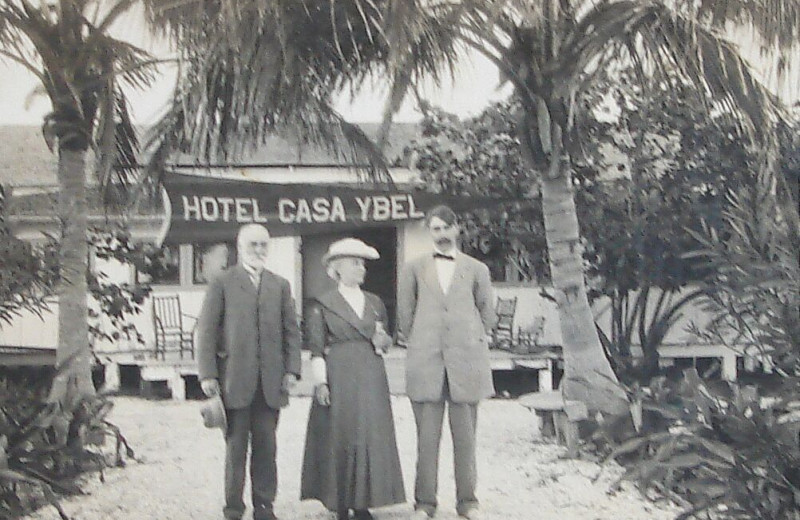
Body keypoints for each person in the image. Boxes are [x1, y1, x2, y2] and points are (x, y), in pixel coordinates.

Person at [196, 224, 302, 520]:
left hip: (270, 384)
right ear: (240, 248)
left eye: (263, 246)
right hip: (234, 382)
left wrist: (292, 369)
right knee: (236, 450)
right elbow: (207, 331)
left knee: (267, 448)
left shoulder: (280, 285)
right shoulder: (223, 282)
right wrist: (207, 374)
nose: (258, 251)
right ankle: (233, 508)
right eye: (252, 245)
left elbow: (291, 332)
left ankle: (264, 506)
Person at [397, 205, 496, 520]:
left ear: (457, 229)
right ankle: (424, 504)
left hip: (465, 362)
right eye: (435, 229)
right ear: (430, 233)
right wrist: (423, 340)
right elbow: (405, 314)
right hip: (426, 362)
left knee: (466, 438)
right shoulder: (413, 268)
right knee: (427, 439)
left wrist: (467, 339)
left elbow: (486, 314)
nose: (440, 235)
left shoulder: (477, 269)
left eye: (445, 228)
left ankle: (468, 502)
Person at [301, 238, 406, 520]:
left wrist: (383, 341)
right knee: (341, 435)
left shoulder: (374, 303)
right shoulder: (322, 304)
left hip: (371, 375)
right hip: (339, 375)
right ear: (338, 269)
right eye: (355, 264)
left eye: (363, 264)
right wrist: (321, 382)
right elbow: (316, 348)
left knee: (368, 436)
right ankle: (341, 504)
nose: (362, 269)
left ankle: (363, 504)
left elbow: (385, 343)